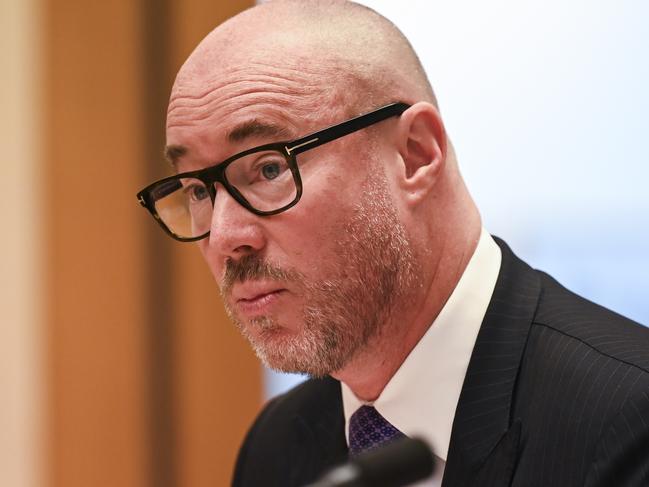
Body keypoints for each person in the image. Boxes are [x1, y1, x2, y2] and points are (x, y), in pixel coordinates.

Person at [136, 1, 649, 486]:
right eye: (199, 190)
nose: (226, 237)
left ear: (414, 155)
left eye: (269, 168)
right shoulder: (278, 446)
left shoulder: (628, 420)